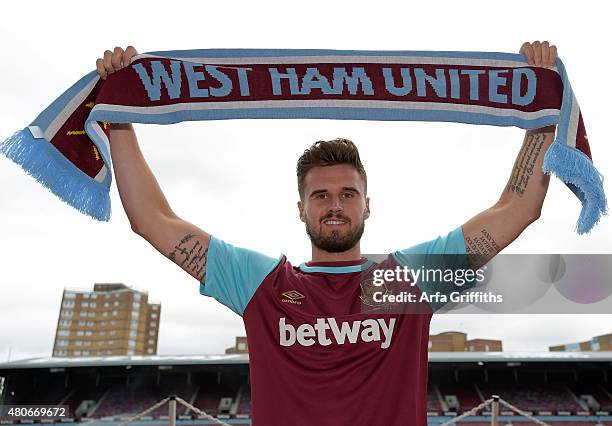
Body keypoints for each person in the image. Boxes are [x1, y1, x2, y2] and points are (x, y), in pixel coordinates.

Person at [96, 41, 558, 425]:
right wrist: (120, 116)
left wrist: (541, 110)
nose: (334, 205)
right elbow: (153, 220)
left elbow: (518, 208)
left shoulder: (403, 282)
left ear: (367, 204)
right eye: (320, 196)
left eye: (347, 194)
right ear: (301, 209)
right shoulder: (262, 283)